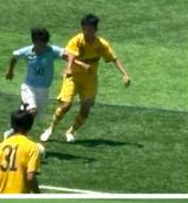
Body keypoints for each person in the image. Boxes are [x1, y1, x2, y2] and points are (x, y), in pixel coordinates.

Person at [40, 14, 131, 143]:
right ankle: (50, 128)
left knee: (85, 109)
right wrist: (69, 68)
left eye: (89, 29)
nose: (86, 32)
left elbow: (114, 59)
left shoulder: (102, 44)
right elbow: (70, 55)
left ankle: (70, 131)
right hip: (73, 77)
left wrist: (124, 74)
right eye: (84, 29)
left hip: (89, 80)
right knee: (66, 105)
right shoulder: (76, 40)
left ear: (95, 29)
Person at [4, 28, 90, 138]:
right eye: (40, 44)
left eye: (44, 44)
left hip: (44, 90)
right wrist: (10, 72)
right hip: (29, 87)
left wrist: (77, 65)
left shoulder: (51, 50)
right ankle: (19, 134)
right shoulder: (26, 51)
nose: (42, 47)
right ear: (34, 42)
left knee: (33, 116)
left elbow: (69, 55)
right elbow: (14, 57)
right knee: (32, 110)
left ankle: (13, 130)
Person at [0, 110, 42, 194]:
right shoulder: (32, 148)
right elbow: (30, 177)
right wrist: (39, 195)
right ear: (30, 126)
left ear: (12, 125)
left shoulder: (0, 146)